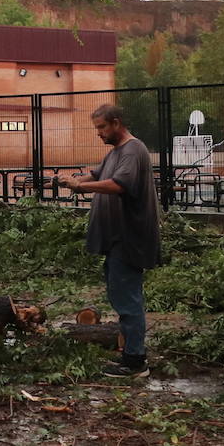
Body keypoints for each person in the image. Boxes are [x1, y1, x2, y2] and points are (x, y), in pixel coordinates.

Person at [59, 103, 161, 378]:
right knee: (121, 295)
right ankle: (131, 353)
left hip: (129, 238)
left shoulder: (133, 150)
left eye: (102, 127)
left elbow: (118, 185)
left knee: (128, 299)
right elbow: (96, 174)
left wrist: (79, 186)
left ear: (116, 123)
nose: (99, 134)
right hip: (115, 239)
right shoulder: (116, 153)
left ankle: (135, 361)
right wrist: (70, 179)